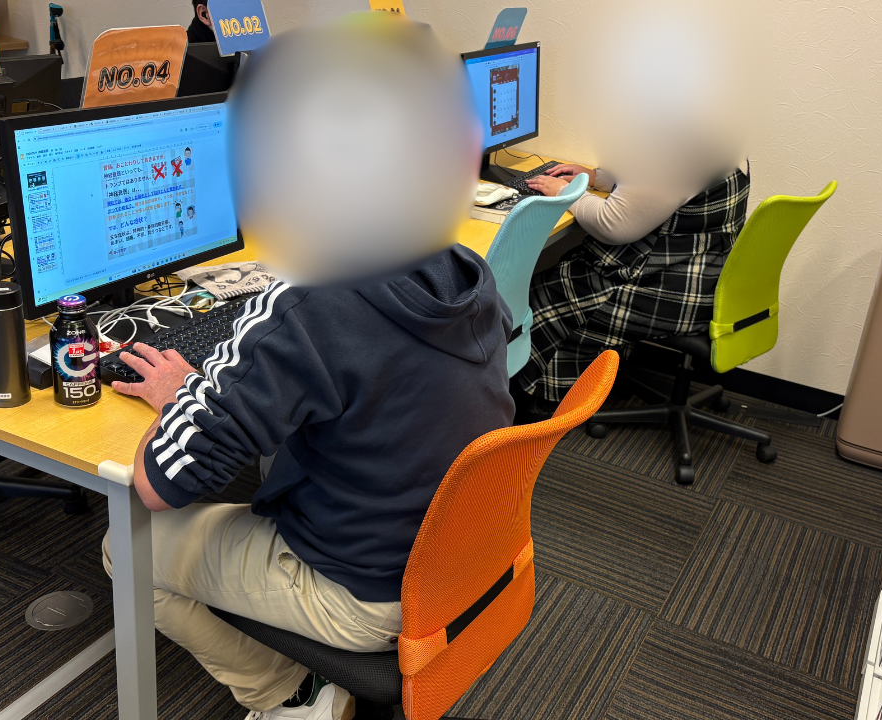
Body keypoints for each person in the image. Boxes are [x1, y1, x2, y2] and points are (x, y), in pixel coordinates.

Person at [102, 17, 503, 720]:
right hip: (450, 557)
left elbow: (158, 485)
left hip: (363, 589)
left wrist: (184, 400)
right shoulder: (463, 268)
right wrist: (214, 394)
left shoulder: (313, 300)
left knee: (125, 547)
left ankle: (291, 696)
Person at [515, 159, 750, 416]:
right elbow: (661, 194)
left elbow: (610, 224)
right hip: (703, 279)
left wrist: (565, 192)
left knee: (545, 291)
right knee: (571, 268)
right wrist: (598, 178)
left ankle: (545, 406)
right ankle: (593, 378)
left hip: (672, 295)